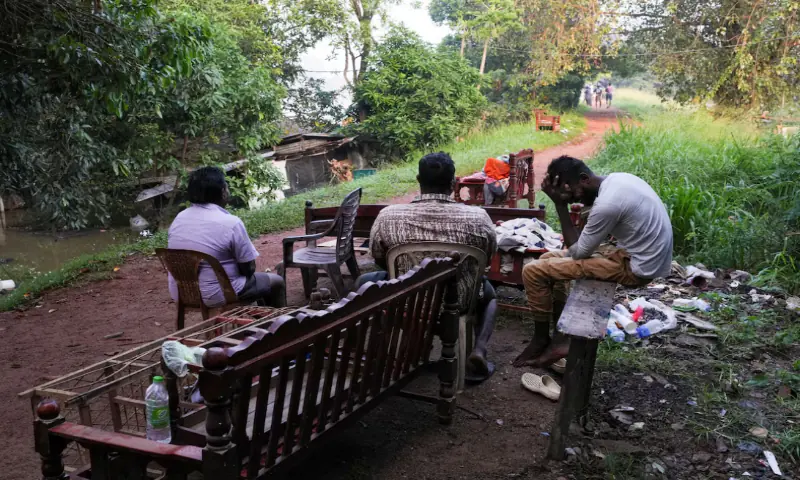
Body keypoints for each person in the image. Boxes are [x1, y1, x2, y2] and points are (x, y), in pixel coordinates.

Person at [513, 156, 673, 367]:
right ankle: (561, 333)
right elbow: (580, 245)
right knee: (546, 259)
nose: (573, 201)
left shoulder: (607, 204)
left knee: (533, 271)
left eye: (571, 194)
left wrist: (560, 206)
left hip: (636, 268)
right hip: (634, 255)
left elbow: (578, 252)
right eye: (567, 198)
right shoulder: (616, 180)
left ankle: (542, 339)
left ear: (584, 178)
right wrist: (566, 202)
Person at [357, 152, 499, 381]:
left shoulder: (388, 216)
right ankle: (479, 349)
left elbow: (379, 257)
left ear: (418, 180)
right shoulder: (479, 217)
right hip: (457, 303)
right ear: (453, 183)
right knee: (489, 294)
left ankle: (374, 354)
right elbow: (487, 258)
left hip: (407, 301)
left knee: (365, 282)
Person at [167, 166, 285, 308]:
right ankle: (278, 326)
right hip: (218, 294)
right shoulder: (231, 223)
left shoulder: (179, 218)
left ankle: (259, 318)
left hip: (182, 293)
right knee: (276, 282)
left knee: (253, 283)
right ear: (223, 192)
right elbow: (248, 269)